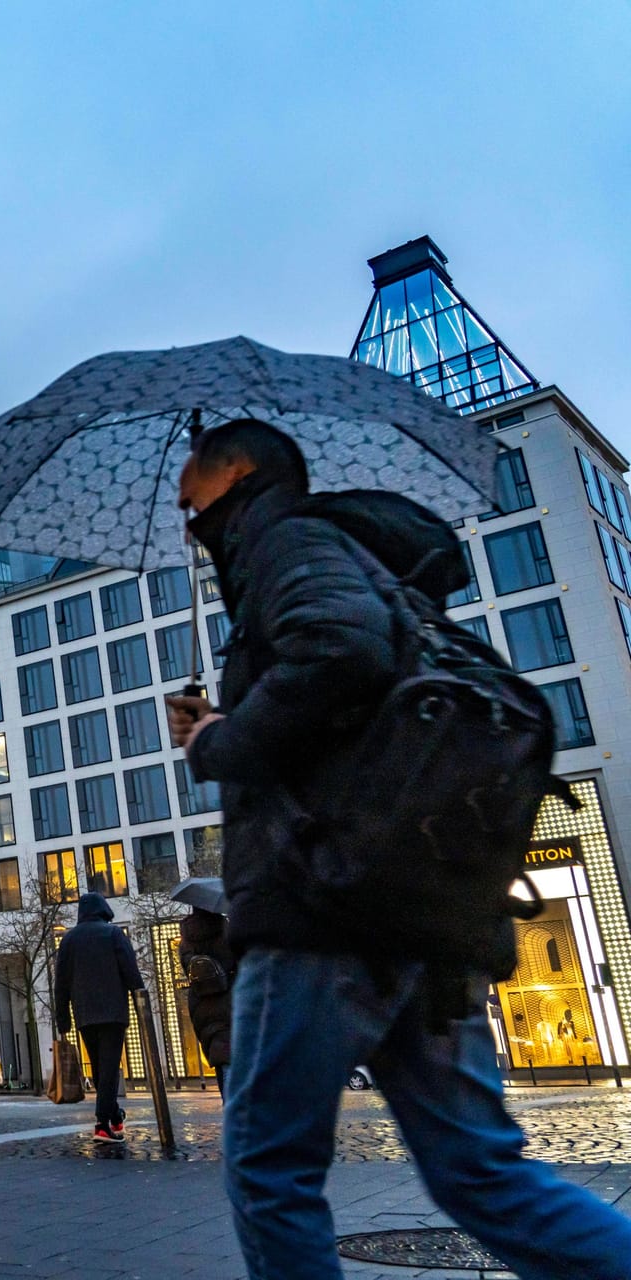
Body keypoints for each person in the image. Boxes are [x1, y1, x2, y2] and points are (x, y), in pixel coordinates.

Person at [167, 418, 631, 1279]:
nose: (181, 497)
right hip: (416, 914)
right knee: (480, 1172)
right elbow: (351, 679)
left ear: (235, 469)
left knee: (271, 1170)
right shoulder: (349, 558)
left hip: (326, 906)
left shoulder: (286, 541)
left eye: (190, 474)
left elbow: (340, 648)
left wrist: (219, 745)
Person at [52, 886, 144, 1142]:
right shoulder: (114, 934)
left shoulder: (69, 940)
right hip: (113, 1012)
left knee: (100, 1067)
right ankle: (102, 1123)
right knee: (110, 1067)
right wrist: (140, 1003)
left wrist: (63, 1018)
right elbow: (131, 972)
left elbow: (61, 982)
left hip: (84, 1015)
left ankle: (114, 1116)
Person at [177, 907, 234, 1090]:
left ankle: (230, 1107)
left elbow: (188, 969)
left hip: (201, 1005)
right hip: (230, 1001)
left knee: (220, 1054)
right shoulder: (229, 931)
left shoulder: (186, 939)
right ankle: (238, 1111)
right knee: (236, 1057)